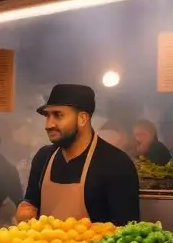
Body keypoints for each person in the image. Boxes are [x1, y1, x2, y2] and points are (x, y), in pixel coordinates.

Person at [17, 84, 140, 225]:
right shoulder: (43, 157)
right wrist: (25, 209)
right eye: (47, 116)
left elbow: (128, 232)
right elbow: (31, 202)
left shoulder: (116, 164)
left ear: (82, 118)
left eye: (58, 115)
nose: (48, 124)